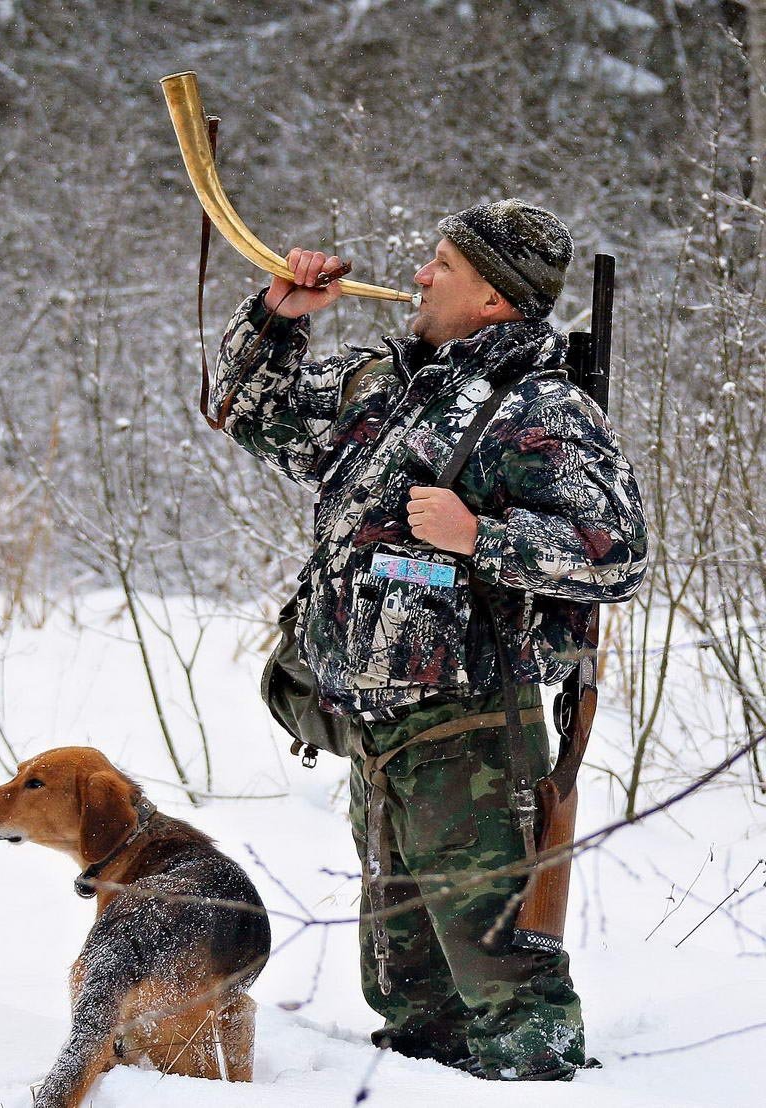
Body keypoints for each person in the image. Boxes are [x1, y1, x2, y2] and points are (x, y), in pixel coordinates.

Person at [211, 200, 648, 1081]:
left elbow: (619, 554)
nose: (418, 274)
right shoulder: (391, 386)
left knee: (510, 998)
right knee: (411, 1000)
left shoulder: (540, 413)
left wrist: (477, 537)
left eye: (441, 264)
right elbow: (242, 409)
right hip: (378, 734)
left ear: (493, 297)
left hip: (474, 740)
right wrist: (275, 318)